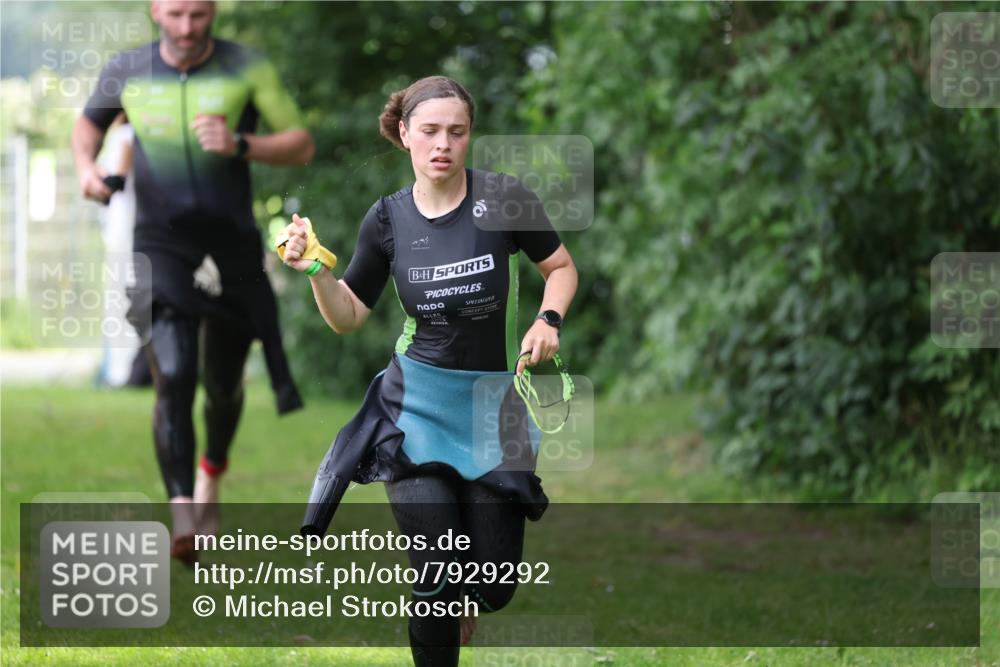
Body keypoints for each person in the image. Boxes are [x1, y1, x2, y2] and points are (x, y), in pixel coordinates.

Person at [283, 76, 578, 666]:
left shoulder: (505, 200)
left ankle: (470, 592)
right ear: (404, 134)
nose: (444, 143)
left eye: (458, 132)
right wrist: (316, 267)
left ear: (470, 137)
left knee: (492, 584)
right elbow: (350, 315)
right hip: (415, 409)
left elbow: (561, 267)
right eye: (430, 131)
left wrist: (548, 320)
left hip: (493, 411)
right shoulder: (387, 220)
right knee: (436, 571)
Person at [71, 0, 314, 564]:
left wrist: (242, 145)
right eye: (176, 14)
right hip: (160, 246)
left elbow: (300, 143)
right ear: (155, 10)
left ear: (214, 12)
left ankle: (210, 475)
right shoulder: (126, 69)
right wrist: (88, 169)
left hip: (233, 247)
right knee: (173, 373)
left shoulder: (246, 66)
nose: (186, 28)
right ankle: (182, 514)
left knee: (224, 385)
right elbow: (87, 127)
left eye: (199, 15)